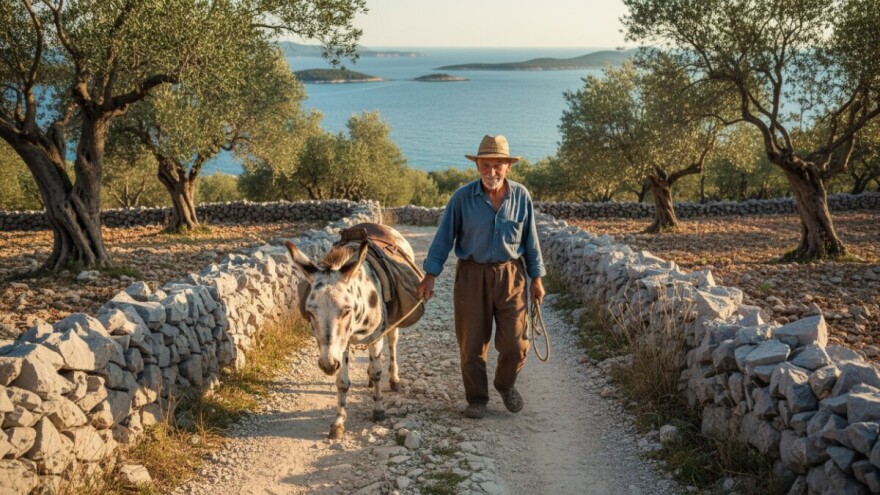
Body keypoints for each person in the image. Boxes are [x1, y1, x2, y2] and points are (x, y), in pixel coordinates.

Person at [417, 134, 546, 419]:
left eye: (497, 165)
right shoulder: (462, 198)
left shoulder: (521, 196)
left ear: (508, 167)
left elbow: (531, 241)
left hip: (511, 275)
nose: (491, 172)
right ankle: (476, 398)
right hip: (471, 276)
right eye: (485, 165)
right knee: (472, 343)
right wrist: (430, 274)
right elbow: (443, 239)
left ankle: (505, 384)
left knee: (517, 343)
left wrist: (537, 278)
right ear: (477, 166)